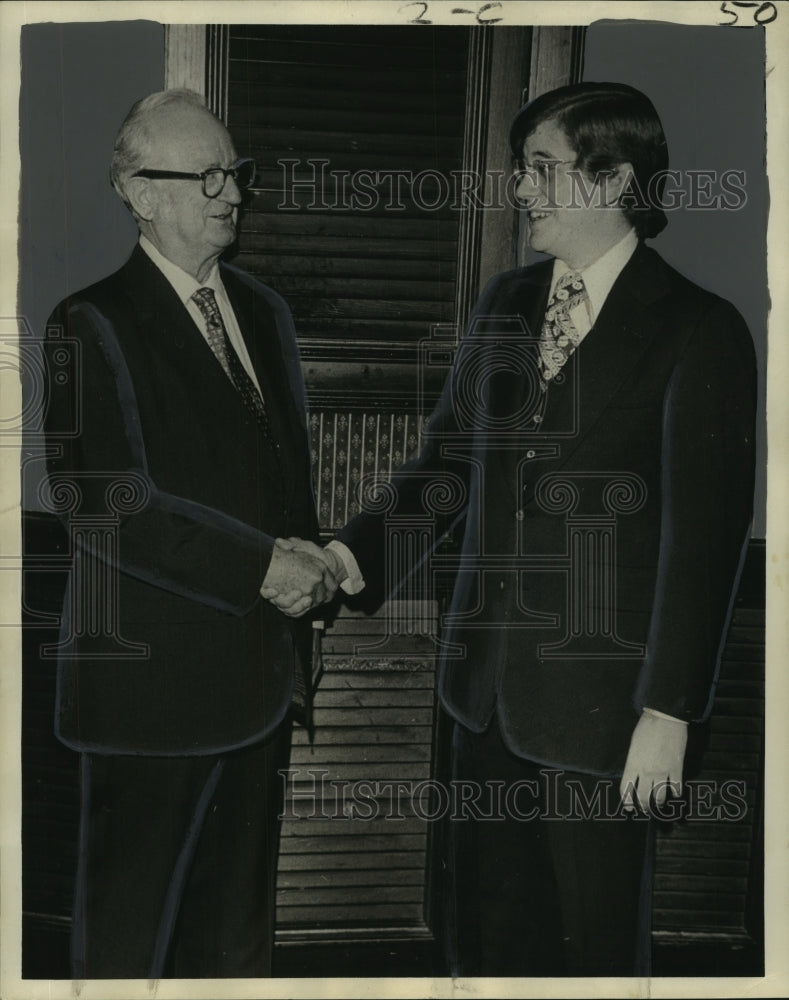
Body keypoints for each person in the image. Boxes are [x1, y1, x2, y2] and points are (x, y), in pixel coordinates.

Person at [268, 82, 757, 975]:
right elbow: (448, 468)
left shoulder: (700, 330)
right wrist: (343, 557)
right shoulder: (505, 302)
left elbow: (705, 544)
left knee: (593, 955)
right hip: (479, 698)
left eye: (539, 169)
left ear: (610, 179)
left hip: (608, 719)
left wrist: (668, 713)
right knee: (485, 951)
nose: (520, 191)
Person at [42, 89, 338, 978]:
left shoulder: (266, 312)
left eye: (234, 172)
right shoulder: (87, 321)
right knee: (128, 946)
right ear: (139, 193)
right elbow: (100, 497)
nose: (231, 193)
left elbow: (288, 482)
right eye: (205, 174)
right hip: (146, 701)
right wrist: (263, 569)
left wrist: (310, 583)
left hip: (258, 686)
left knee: (236, 942)